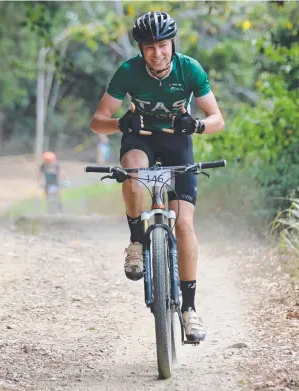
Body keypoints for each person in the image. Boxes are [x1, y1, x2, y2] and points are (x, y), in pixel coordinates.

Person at [90, 11, 225, 342]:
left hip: (178, 141)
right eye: (149, 47)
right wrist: (121, 122)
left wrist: (195, 125)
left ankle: (190, 309)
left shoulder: (189, 69)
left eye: (162, 45)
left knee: (184, 224)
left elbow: (217, 119)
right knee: (133, 171)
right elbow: (97, 120)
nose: (157, 53)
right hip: (140, 137)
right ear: (140, 49)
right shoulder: (128, 72)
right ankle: (137, 242)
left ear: (172, 44)